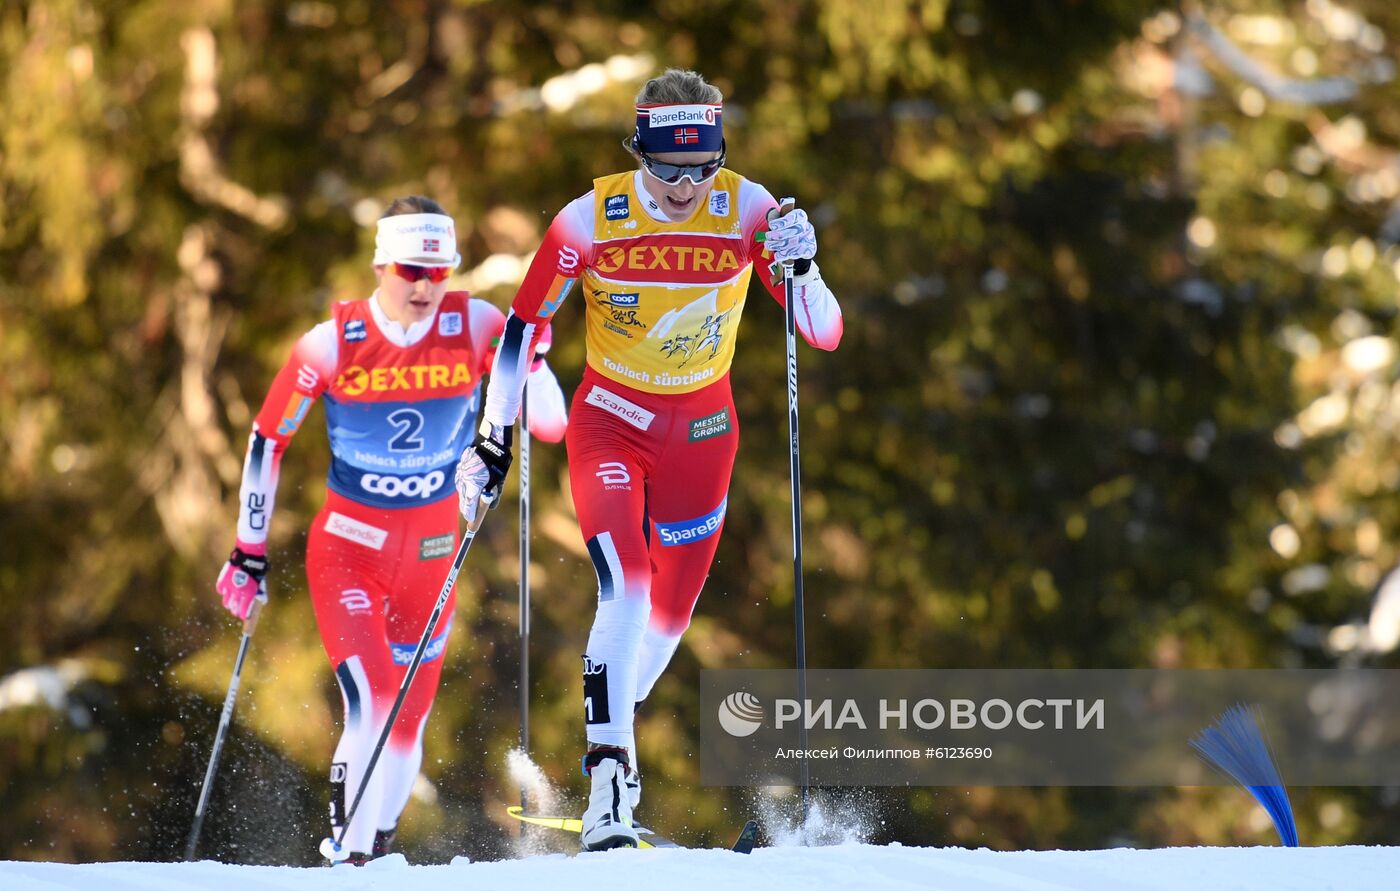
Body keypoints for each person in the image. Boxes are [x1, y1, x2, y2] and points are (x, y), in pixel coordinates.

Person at [454, 69, 843, 850]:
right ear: (640, 152)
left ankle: (614, 748)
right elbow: (522, 333)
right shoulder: (589, 219)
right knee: (624, 590)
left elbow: (823, 331)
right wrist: (494, 436)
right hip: (612, 423)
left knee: (666, 621)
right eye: (667, 168)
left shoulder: (750, 209)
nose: (686, 187)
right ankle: (608, 786)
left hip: (703, 433)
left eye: (703, 167)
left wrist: (807, 265)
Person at [214, 196, 567, 864]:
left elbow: (550, 425)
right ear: (381, 264)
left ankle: (377, 851)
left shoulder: (478, 323)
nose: (427, 286)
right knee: (371, 699)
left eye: (440, 271)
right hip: (349, 548)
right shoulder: (333, 342)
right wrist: (249, 549)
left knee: (408, 724)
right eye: (412, 270)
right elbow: (267, 439)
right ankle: (344, 857)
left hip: (432, 556)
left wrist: (535, 356)